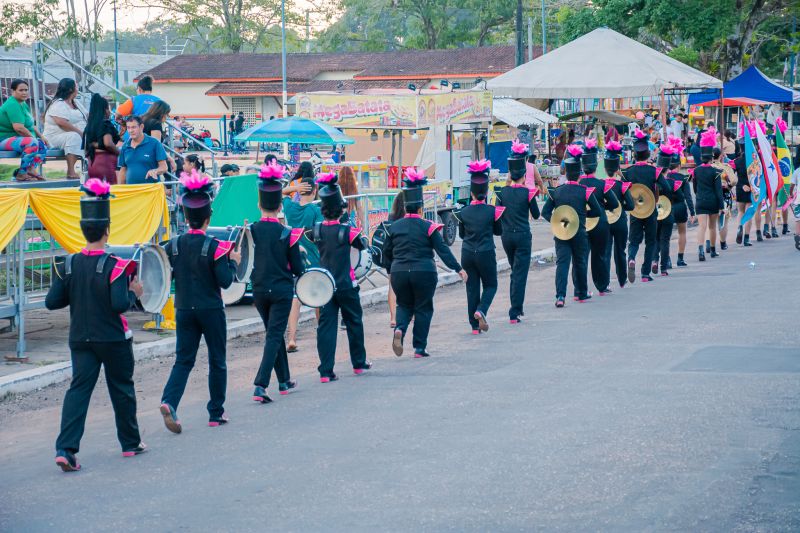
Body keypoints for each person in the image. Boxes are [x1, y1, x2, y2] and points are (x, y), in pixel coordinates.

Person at [46, 179, 146, 471]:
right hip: (112, 338)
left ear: (82, 229)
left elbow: (52, 302)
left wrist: (77, 289)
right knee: (122, 388)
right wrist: (134, 293)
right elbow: (119, 305)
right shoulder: (116, 265)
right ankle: (130, 444)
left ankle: (65, 450)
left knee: (78, 391)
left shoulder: (69, 264)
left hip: (80, 337)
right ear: (107, 230)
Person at [159, 171, 241, 432]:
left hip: (183, 309)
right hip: (211, 310)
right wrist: (233, 262)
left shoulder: (173, 245)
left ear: (185, 217)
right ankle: (216, 412)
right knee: (217, 360)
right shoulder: (216, 247)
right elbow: (225, 282)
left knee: (183, 360)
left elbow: (164, 276)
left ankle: (169, 401)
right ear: (209, 217)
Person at [384, 167, 465, 356]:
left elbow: (387, 252)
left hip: (399, 272)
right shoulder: (429, 227)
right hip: (424, 271)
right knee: (423, 307)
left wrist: (391, 270)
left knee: (404, 305)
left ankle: (400, 329)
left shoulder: (393, 227)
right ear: (421, 208)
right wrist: (458, 268)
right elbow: (443, 250)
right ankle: (419, 348)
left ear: (405, 207)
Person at [307, 172, 371, 381]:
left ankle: (326, 371)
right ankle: (358, 363)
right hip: (346, 284)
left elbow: (310, 237)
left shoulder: (316, 231)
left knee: (326, 327)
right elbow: (362, 245)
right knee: (354, 322)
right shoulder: (347, 231)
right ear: (341, 209)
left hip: (326, 285)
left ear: (323, 209)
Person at [250, 162, 305, 403]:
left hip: (259, 290)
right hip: (281, 290)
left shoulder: (251, 230)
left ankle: (284, 380)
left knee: (274, 332)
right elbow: (298, 268)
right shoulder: (288, 233)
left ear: (259, 205)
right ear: (280, 207)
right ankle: (261, 384)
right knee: (274, 335)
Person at [542, 145, 603, 307]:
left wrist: (558, 221)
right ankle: (581, 293)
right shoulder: (585, 191)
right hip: (579, 231)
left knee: (562, 264)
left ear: (566, 174)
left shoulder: (557, 191)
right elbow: (597, 211)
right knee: (580, 262)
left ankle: (560, 297)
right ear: (579, 175)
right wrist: (581, 217)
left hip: (561, 232)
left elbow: (545, 212)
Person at [454, 159, 502, 334]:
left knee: (472, 288)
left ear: (472, 193)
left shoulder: (463, 212)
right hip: (486, 252)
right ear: (486, 191)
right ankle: (481, 311)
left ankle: (474, 327)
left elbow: (461, 235)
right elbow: (498, 231)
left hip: (467, 253)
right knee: (491, 285)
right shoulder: (492, 211)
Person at [496, 140, 540, 323]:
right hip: (522, 235)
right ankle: (514, 312)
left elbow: (497, 215)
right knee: (520, 274)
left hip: (506, 236)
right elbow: (536, 215)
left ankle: (517, 307)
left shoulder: (501, 193)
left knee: (515, 271)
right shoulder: (528, 193)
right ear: (524, 174)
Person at [622, 128, 671, 283]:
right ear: (648, 154)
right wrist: (656, 188)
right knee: (651, 241)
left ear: (635, 155)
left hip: (635, 210)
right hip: (650, 210)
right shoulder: (654, 171)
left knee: (634, 240)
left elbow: (622, 189)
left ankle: (631, 258)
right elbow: (667, 188)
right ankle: (645, 273)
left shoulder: (629, 172)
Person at [282, 170, 323, 352]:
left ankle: (291, 337)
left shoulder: (290, 208)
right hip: (313, 257)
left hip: (293, 258)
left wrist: (293, 188)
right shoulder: (315, 210)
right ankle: (322, 331)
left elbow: (278, 193)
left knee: (295, 298)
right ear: (314, 191)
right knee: (318, 297)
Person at [578, 138, 618, 295]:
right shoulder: (602, 184)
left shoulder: (579, 184)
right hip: (600, 223)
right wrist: (601, 207)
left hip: (581, 223)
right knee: (600, 255)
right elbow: (614, 204)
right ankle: (602, 286)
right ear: (596, 167)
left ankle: (580, 290)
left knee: (581, 258)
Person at [0, 78, 48, 181]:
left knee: (42, 144)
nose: (24, 92)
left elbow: (30, 125)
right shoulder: (12, 104)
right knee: (32, 143)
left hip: (16, 139)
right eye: (21, 90)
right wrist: (33, 139)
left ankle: (31, 169)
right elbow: (19, 128)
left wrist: (41, 136)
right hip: (3, 139)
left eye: (26, 90)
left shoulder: (23, 104)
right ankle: (21, 174)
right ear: (13, 91)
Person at [603, 140, 635, 287]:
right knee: (620, 251)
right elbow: (631, 205)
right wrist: (621, 207)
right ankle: (622, 280)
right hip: (620, 221)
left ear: (605, 169)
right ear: (617, 169)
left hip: (605, 222)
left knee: (606, 252)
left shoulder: (601, 185)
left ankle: (605, 283)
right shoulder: (622, 185)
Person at [43, 78, 87, 180]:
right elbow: (61, 122)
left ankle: (93, 171)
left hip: (73, 136)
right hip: (53, 138)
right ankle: (71, 171)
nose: (78, 89)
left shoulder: (75, 103)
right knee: (74, 136)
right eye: (76, 86)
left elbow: (87, 115)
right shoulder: (58, 103)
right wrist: (80, 133)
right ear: (71, 89)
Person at [662, 137, 696, 266]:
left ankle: (667, 259)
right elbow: (688, 196)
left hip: (667, 207)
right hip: (681, 207)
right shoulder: (683, 178)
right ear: (679, 165)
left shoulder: (664, 178)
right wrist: (692, 212)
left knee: (666, 235)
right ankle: (680, 259)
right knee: (682, 232)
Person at [693, 129, 725, 261]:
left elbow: (695, 188)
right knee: (712, 227)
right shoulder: (716, 171)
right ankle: (712, 250)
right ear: (711, 158)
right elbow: (718, 191)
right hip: (712, 201)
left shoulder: (696, 171)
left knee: (702, 227)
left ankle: (700, 251)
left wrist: (699, 195)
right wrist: (721, 206)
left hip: (700, 200)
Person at [118, 115, 168, 184]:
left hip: (150, 188)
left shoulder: (154, 143)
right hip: (131, 189)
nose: (130, 131)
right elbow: (123, 170)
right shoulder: (125, 146)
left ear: (141, 127)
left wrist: (155, 171)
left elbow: (164, 167)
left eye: (133, 127)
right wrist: (120, 187)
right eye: (128, 127)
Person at [84, 93, 121, 183]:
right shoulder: (105, 124)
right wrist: (120, 153)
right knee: (111, 190)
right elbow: (108, 143)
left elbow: (88, 146)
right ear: (104, 110)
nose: (109, 112)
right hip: (105, 163)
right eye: (108, 109)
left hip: (92, 163)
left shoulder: (89, 126)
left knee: (97, 191)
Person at [385, 192, 405, 328]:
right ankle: (412, 314)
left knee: (392, 286)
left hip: (392, 253)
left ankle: (393, 318)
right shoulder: (409, 217)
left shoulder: (391, 217)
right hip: (405, 253)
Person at [712, 147, 737, 250]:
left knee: (711, 221)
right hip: (724, 194)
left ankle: (709, 243)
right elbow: (734, 181)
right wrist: (729, 185)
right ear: (721, 156)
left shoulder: (706, 167)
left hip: (711, 195)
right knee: (724, 220)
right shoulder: (725, 167)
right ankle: (723, 243)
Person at [733, 135, 754, 247]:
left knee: (740, 211)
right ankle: (746, 238)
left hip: (740, 187)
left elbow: (732, 177)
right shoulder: (754, 161)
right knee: (749, 212)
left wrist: (741, 185)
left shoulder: (736, 161)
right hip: (751, 187)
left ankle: (739, 227)